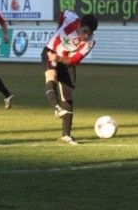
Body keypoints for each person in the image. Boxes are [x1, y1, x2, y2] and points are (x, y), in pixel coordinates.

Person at [42, 11, 98, 145]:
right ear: (79, 24)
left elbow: (74, 60)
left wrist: (60, 58)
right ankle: (56, 107)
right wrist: (59, 27)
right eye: (84, 31)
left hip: (66, 61)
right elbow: (62, 13)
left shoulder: (90, 42)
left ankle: (66, 135)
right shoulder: (71, 20)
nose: (85, 35)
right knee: (51, 75)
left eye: (89, 33)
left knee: (68, 95)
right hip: (51, 52)